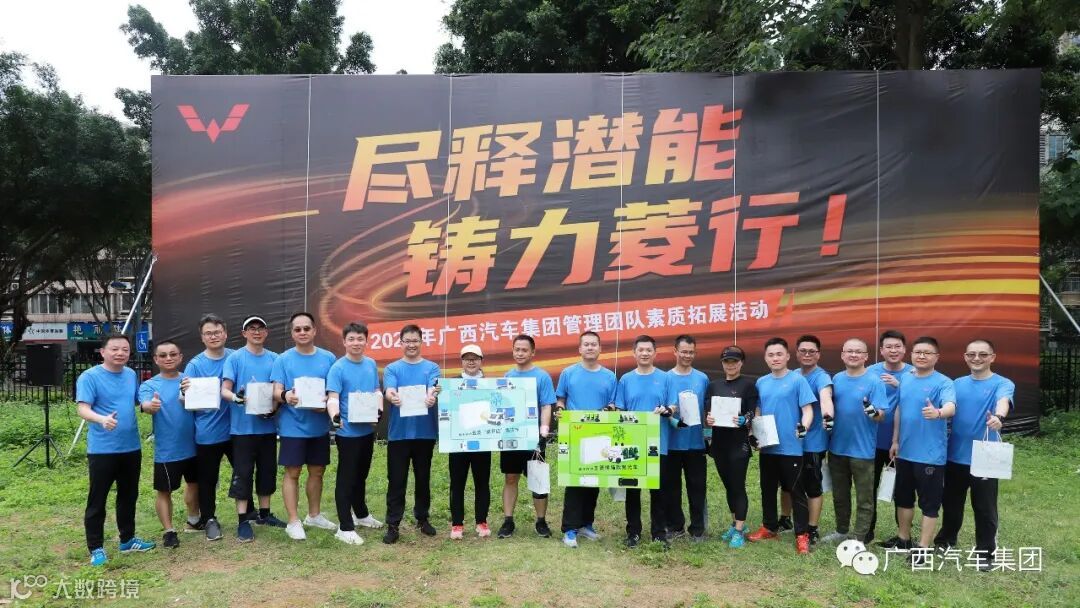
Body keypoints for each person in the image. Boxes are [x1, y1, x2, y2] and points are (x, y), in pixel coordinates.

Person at [76, 333, 156, 566]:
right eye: (114, 349)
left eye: (125, 350)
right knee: (97, 499)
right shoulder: (90, 377)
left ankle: (127, 539)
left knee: (128, 496)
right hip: (102, 450)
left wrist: (149, 405)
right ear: (103, 352)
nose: (120, 353)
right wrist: (101, 419)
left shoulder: (130, 374)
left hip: (131, 447)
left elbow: (138, 403)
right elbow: (83, 409)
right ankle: (96, 547)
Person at [934, 339, 1014, 569]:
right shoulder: (956, 384)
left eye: (982, 354)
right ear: (965, 357)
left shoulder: (1002, 383)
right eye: (971, 354)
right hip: (954, 455)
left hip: (985, 457)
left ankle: (985, 552)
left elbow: (1003, 401)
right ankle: (946, 540)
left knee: (984, 506)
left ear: (992, 357)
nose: (976, 358)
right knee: (951, 503)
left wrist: (998, 417)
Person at [889, 336, 956, 564]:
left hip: (930, 455)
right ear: (911, 355)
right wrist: (895, 440)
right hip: (905, 451)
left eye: (927, 353)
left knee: (929, 503)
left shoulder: (944, 382)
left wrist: (938, 413)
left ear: (937, 357)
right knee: (903, 498)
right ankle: (903, 539)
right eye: (918, 352)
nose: (922, 356)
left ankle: (923, 548)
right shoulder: (906, 379)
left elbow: (951, 406)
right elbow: (899, 410)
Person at [271, 312, 338, 540]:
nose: (302, 332)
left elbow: (333, 391)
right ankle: (293, 521)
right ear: (292, 333)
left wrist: (326, 402)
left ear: (314, 330)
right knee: (293, 472)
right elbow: (276, 391)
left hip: (319, 426)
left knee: (317, 471)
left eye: (306, 328)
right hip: (292, 427)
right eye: (297, 329)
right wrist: (286, 395)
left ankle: (314, 515)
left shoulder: (328, 358)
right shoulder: (283, 360)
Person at [221, 315, 287, 543]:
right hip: (242, 430)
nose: (256, 332)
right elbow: (225, 390)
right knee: (243, 474)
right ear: (244, 333)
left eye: (260, 328)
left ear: (266, 332)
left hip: (267, 428)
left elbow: (278, 390)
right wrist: (237, 399)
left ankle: (265, 514)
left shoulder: (275, 359)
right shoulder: (235, 358)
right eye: (252, 328)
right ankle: (243, 520)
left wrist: (274, 408)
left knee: (267, 471)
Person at [746, 337, 816, 554]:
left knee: (796, 491)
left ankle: (802, 535)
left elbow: (807, 410)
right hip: (768, 447)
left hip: (792, 447)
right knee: (767, 489)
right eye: (771, 355)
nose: (775, 358)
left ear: (787, 356)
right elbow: (758, 411)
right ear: (765, 358)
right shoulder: (761, 382)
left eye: (779, 354)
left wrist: (804, 427)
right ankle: (769, 527)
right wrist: (753, 433)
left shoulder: (797, 381)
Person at [822, 338, 888, 544]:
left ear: (866, 356)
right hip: (837, 448)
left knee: (864, 498)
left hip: (863, 450)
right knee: (840, 494)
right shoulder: (837, 379)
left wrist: (872, 412)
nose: (853, 355)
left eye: (858, 351)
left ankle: (859, 538)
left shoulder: (875, 381)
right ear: (842, 355)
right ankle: (841, 530)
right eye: (849, 351)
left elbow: (881, 416)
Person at [325, 322, 385, 546]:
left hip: (366, 430)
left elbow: (376, 391)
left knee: (361, 475)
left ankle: (361, 514)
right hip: (347, 432)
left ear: (366, 341)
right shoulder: (338, 368)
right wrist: (335, 416)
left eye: (360, 339)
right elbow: (332, 397)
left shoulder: (370, 364)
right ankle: (345, 527)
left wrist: (379, 409)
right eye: (351, 339)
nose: (356, 343)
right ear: (344, 342)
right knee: (347, 478)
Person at [382, 324, 441, 544]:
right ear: (401, 343)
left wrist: (431, 396)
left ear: (421, 342)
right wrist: (392, 396)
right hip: (399, 434)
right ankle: (393, 524)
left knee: (423, 479)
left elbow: (433, 387)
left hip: (425, 433)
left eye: (415, 340)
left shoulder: (432, 367)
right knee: (396, 480)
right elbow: (389, 390)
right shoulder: (392, 369)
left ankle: (422, 518)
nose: (411, 345)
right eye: (407, 341)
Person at [182, 314, 239, 541]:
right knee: (207, 479)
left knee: (242, 473)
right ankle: (209, 519)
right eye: (208, 333)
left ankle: (247, 514)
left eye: (217, 332)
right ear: (202, 337)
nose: (213, 336)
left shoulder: (236, 357)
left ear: (225, 333)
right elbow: (183, 398)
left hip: (237, 429)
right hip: (208, 432)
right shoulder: (195, 365)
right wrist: (185, 393)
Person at [558, 331, 617, 548]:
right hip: (575, 434)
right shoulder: (568, 373)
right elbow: (561, 399)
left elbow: (614, 404)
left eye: (594, 344)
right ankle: (569, 529)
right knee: (575, 481)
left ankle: (586, 524)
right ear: (580, 349)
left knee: (594, 481)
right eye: (586, 344)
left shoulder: (609, 376)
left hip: (600, 435)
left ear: (600, 348)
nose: (590, 347)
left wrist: (609, 409)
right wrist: (560, 409)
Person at [614, 334, 673, 548]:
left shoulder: (665, 378)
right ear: (634, 353)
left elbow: (673, 405)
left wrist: (666, 410)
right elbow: (619, 409)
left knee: (659, 490)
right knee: (632, 490)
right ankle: (633, 532)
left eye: (649, 350)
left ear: (655, 353)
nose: (645, 353)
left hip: (659, 442)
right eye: (641, 350)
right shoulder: (626, 379)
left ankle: (659, 533)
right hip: (632, 444)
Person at [139, 341, 198, 549]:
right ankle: (169, 531)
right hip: (167, 450)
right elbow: (145, 405)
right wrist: (151, 406)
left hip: (195, 445)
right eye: (163, 355)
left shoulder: (190, 381)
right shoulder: (149, 385)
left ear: (181, 357)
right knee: (165, 491)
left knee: (195, 484)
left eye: (173, 354)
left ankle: (193, 520)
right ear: (156, 359)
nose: (168, 358)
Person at [778, 335, 834, 544]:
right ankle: (785, 519)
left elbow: (826, 399)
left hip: (813, 443)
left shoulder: (822, 378)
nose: (807, 354)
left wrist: (828, 416)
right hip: (790, 443)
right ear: (796, 353)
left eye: (812, 351)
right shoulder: (792, 375)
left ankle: (812, 528)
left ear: (818, 354)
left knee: (812, 486)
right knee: (787, 483)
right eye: (803, 351)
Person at [499, 335, 556, 539]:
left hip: (534, 438)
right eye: (517, 349)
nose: (520, 353)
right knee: (510, 477)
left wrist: (544, 430)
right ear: (512, 351)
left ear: (532, 352)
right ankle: (508, 520)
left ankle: (541, 521)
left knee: (538, 478)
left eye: (524, 350)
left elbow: (546, 405)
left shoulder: (542, 376)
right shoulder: (507, 376)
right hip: (512, 436)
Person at [704, 345, 758, 548]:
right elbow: (708, 412)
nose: (731, 365)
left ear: (741, 363)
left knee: (738, 486)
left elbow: (752, 412)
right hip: (719, 444)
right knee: (728, 486)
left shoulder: (748, 386)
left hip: (739, 444)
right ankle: (735, 523)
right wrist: (708, 419)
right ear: (722, 363)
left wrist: (745, 419)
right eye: (727, 361)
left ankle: (739, 530)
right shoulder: (713, 386)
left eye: (734, 361)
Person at [866, 330, 911, 545]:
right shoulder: (870, 372)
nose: (893, 350)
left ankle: (903, 536)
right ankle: (867, 531)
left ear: (904, 349)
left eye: (897, 346)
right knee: (869, 488)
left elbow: (922, 400)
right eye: (889, 347)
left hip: (903, 443)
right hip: (872, 441)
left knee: (902, 490)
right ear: (881, 350)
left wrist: (900, 386)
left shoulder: (914, 373)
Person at [664, 335, 709, 542]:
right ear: (675, 352)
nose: (687, 355)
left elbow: (708, 409)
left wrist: (709, 433)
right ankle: (675, 526)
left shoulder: (702, 378)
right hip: (671, 442)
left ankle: (698, 529)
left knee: (697, 487)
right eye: (683, 351)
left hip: (696, 443)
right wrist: (673, 419)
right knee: (671, 488)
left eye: (691, 352)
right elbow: (662, 408)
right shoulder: (665, 378)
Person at [447, 344, 492, 539]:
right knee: (457, 483)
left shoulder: (490, 384)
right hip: (458, 442)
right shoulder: (451, 383)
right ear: (462, 361)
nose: (471, 362)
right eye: (467, 358)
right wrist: (439, 392)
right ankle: (457, 523)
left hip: (483, 441)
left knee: (482, 483)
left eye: (475, 358)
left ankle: (481, 521)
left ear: (481, 361)